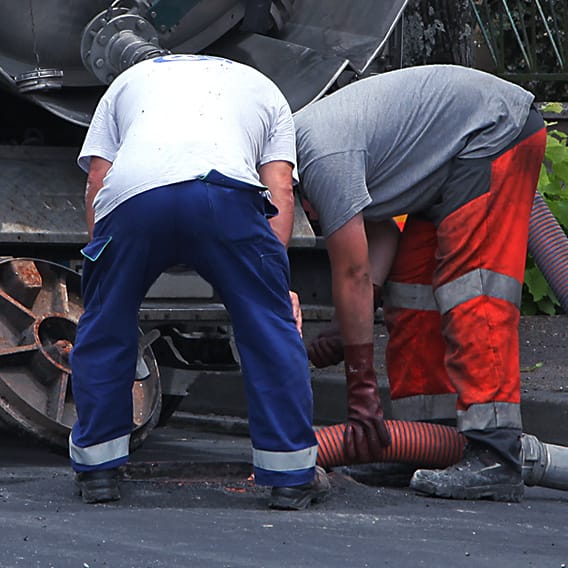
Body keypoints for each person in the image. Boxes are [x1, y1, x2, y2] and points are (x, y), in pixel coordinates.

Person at [70, 53, 329, 509]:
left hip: (133, 197)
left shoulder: (127, 81)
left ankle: (98, 472)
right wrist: (273, 285)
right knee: (267, 329)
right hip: (224, 194)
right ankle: (290, 477)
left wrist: (106, 270)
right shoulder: (263, 86)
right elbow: (280, 189)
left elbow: (98, 178)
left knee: (105, 322)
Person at [294, 64, 546, 502]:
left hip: (490, 134)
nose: (311, 219)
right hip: (444, 164)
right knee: (411, 292)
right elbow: (382, 236)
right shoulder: (303, 150)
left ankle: (494, 452)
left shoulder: (318, 156)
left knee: (473, 288)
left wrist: (361, 390)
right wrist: (348, 322)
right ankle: (428, 440)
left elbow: (352, 272)